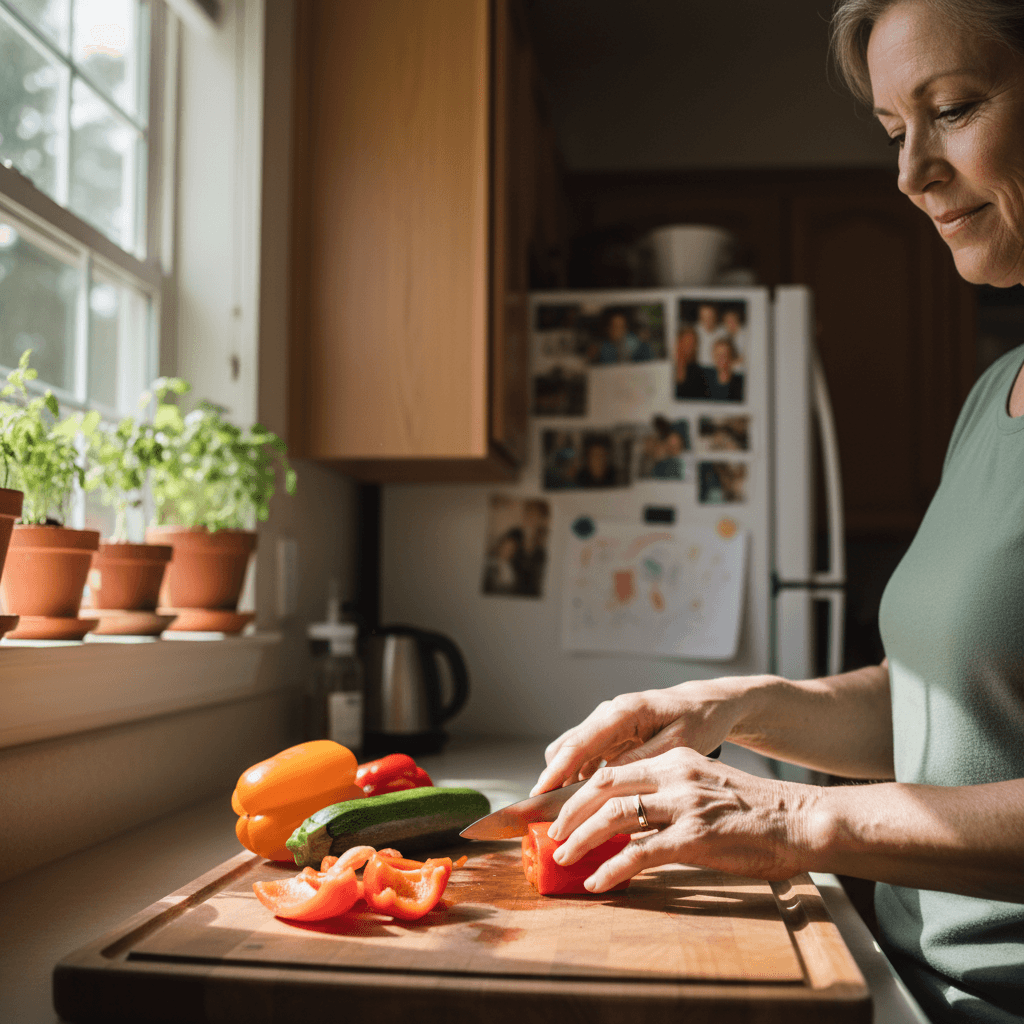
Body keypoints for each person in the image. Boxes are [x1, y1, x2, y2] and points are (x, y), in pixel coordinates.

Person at [530, 4, 1024, 1022]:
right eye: (895, 131)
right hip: (905, 985)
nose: (911, 173)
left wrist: (795, 814)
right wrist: (737, 703)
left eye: (954, 108)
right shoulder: (998, 392)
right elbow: (948, 711)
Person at [674, 326, 711, 399]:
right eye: (687, 342)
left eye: (693, 343)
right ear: (679, 343)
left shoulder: (700, 376)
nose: (691, 347)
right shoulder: (665, 368)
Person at [706, 336, 745, 402]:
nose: (721, 359)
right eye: (718, 355)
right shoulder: (705, 383)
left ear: (732, 357)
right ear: (713, 357)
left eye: (725, 355)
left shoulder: (742, 384)